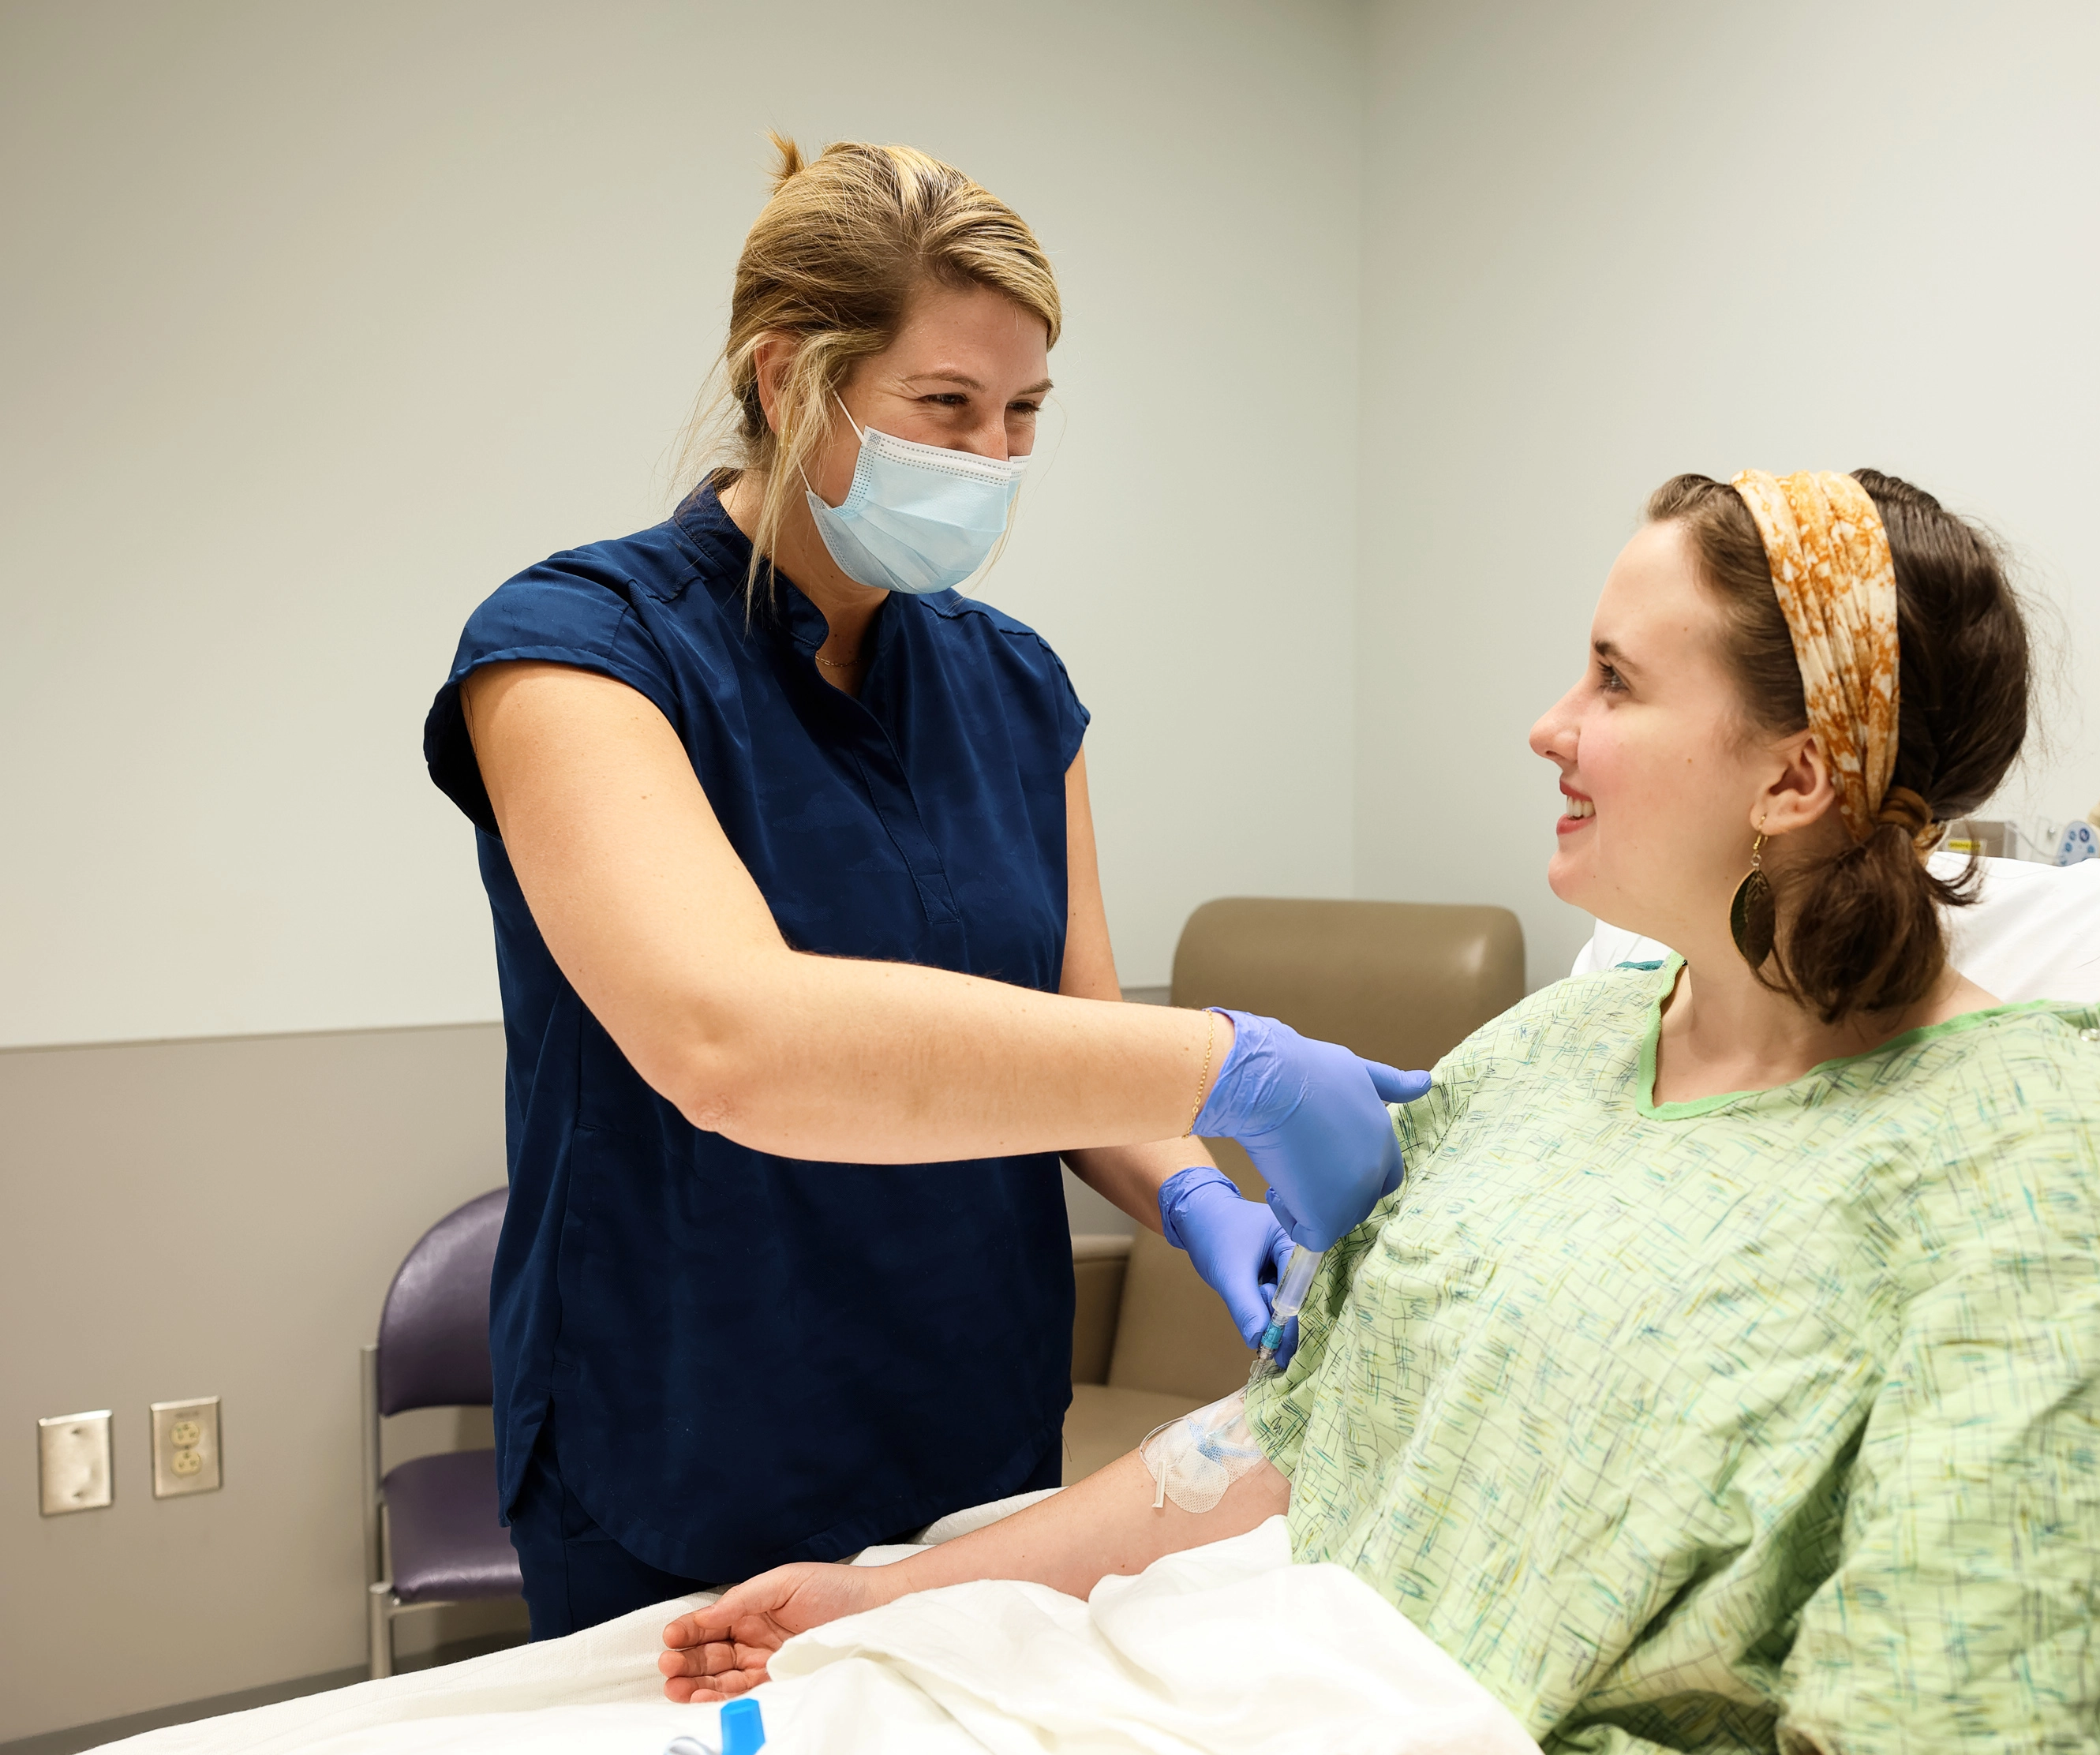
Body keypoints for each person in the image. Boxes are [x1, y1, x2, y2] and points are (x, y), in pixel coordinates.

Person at [656, 469, 2100, 1755]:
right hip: (1278, 1687)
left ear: (1793, 779)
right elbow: (1296, 1434)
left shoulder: (2019, 1156)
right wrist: (898, 1596)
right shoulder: (1550, 1054)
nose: (1550, 724)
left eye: (1611, 679)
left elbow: (1960, 1730)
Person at [421, 138, 1424, 1638]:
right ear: (784, 381)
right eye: (942, 408)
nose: (990, 461)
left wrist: (1198, 1184)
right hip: (686, 1434)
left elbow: (1078, 1041)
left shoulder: (1017, 689)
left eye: (1023, 414)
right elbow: (732, 1038)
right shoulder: (577, 648)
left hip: (972, 1429)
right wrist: (1241, 1060)